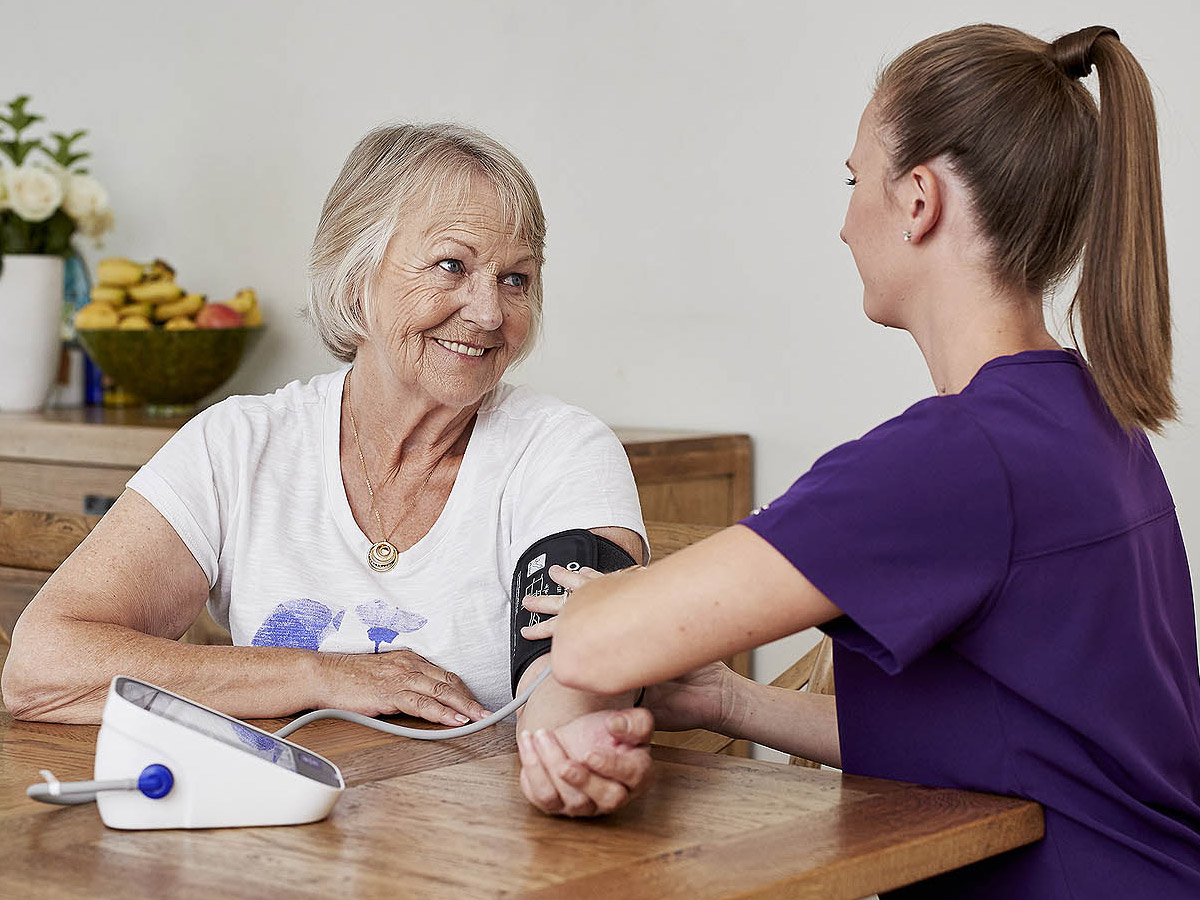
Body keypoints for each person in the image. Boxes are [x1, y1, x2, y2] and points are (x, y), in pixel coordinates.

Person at [526, 24, 1200, 895]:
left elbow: (594, 638)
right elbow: (1004, 743)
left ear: (919, 200)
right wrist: (730, 701)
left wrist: (608, 608)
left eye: (854, 181)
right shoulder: (1090, 418)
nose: (845, 224)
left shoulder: (956, 457)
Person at [1, 123, 654, 817]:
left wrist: (573, 739)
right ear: (356, 268)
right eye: (451, 266)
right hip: (272, 838)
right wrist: (323, 674)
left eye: (515, 278)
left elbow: (579, 677)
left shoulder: (563, 452)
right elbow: (42, 669)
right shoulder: (240, 445)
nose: (489, 312)